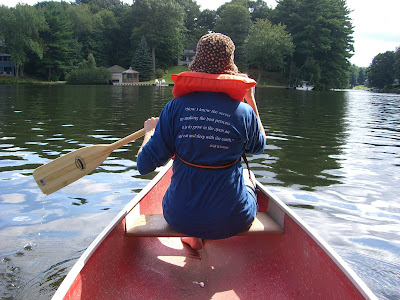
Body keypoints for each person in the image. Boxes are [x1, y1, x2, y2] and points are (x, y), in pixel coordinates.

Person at [137, 33, 266, 250]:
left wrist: (149, 132)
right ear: (230, 65)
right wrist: (250, 99)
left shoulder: (174, 108)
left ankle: (194, 236)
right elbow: (258, 147)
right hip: (233, 219)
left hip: (179, 218)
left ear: (196, 62)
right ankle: (206, 234)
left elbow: (143, 166)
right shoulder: (244, 112)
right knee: (249, 182)